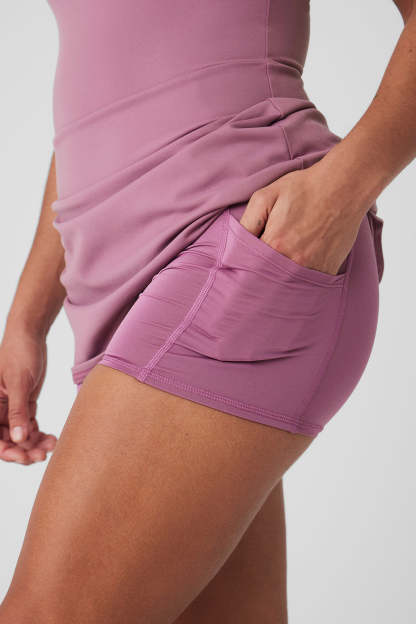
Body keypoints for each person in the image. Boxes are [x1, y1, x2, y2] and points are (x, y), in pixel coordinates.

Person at [0, 1, 414, 622]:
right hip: (118, 295)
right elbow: (110, 90)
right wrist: (26, 322)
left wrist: (343, 190)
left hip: (241, 250)